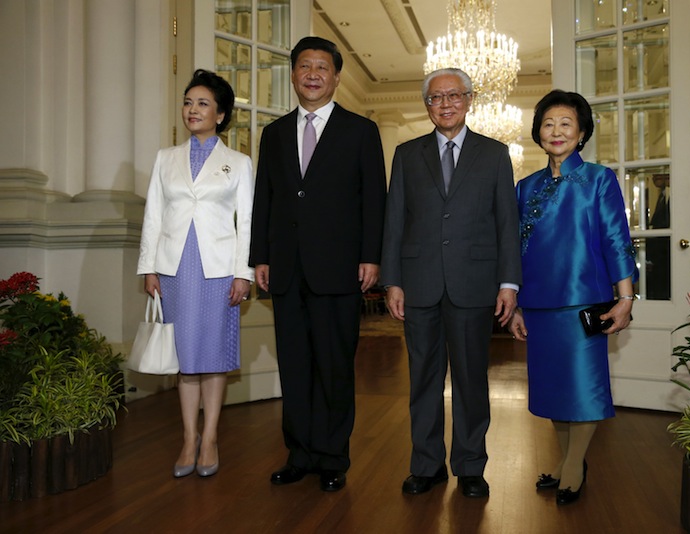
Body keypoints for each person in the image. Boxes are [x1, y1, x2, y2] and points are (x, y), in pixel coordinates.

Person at [249, 36, 386, 492]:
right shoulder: (273, 133)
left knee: (333, 365)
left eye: (322, 67)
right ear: (293, 75)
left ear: (336, 76)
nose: (312, 73)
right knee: (295, 365)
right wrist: (260, 257)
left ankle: (332, 455)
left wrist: (372, 256)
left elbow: (374, 201)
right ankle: (300, 453)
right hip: (286, 269)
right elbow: (263, 199)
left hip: (340, 268)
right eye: (304, 66)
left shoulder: (361, 131)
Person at [381, 68, 522, 499]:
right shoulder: (406, 154)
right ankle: (426, 465)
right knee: (422, 379)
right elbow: (394, 221)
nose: (445, 104)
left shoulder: (495, 154)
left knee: (471, 380)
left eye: (454, 96)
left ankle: (470, 465)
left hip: (475, 284)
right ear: (427, 105)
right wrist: (392, 281)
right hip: (418, 283)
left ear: (469, 100)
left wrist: (508, 283)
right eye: (436, 98)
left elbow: (506, 225)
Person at [508, 89, 637, 505]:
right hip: (539, 305)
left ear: (581, 133)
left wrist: (626, 296)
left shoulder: (599, 179)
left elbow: (616, 238)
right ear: (537, 133)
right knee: (553, 392)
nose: (556, 131)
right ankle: (570, 463)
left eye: (566, 123)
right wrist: (516, 306)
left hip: (586, 302)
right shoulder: (524, 187)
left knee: (583, 390)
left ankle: (573, 468)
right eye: (548, 124)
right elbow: (514, 251)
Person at [138, 69, 254, 478]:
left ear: (220, 114)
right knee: (184, 357)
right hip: (173, 268)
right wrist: (149, 266)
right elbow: (154, 214)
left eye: (202, 103)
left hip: (219, 270)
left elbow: (248, 222)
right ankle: (188, 438)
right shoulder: (165, 158)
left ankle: (210, 438)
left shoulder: (239, 163)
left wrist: (244, 274)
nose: (192, 109)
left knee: (213, 356)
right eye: (188, 102)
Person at [645, 173, 671, 300]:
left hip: (666, 255)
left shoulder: (673, 197)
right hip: (658, 256)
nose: (654, 178)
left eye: (658, 175)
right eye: (653, 176)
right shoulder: (662, 196)